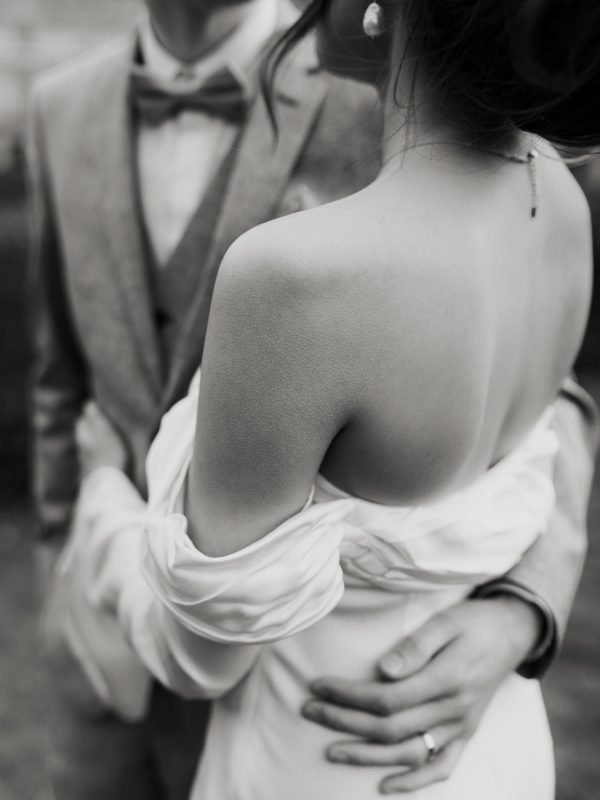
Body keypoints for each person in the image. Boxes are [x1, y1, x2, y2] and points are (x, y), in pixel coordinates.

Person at [28, 1, 596, 799]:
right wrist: (59, 567)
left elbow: (201, 653)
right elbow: (61, 368)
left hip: (312, 749)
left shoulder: (291, 274)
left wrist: (100, 498)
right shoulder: (561, 205)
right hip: (492, 761)